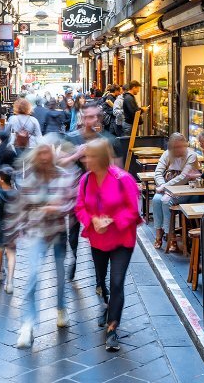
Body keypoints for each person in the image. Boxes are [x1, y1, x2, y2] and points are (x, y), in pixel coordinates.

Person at [9, 138, 78, 348]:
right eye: (41, 153)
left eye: (48, 153)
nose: (44, 157)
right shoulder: (27, 175)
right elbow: (20, 203)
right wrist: (14, 230)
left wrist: (55, 208)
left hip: (57, 232)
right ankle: (27, 325)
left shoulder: (65, 175)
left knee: (59, 274)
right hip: (36, 232)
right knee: (31, 276)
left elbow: (70, 203)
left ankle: (61, 308)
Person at [75, 137, 140, 352]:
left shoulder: (123, 179)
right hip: (98, 238)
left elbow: (133, 210)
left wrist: (111, 221)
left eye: (91, 157)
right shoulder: (85, 180)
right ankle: (106, 304)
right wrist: (92, 220)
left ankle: (112, 328)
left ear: (101, 158)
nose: (86, 160)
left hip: (122, 238)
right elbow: (80, 207)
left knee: (117, 281)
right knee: (101, 279)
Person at [63, 101, 124, 282]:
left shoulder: (109, 140)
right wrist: (76, 155)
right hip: (76, 194)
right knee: (73, 231)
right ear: (82, 117)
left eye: (96, 116)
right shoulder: (71, 139)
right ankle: (73, 262)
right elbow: (60, 164)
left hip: (100, 197)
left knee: (99, 235)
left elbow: (118, 172)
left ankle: (100, 280)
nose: (93, 120)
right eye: (89, 116)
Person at [151, 133, 201, 252]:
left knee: (165, 201)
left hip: (185, 191)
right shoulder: (167, 154)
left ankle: (170, 236)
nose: (178, 150)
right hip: (167, 188)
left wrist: (164, 186)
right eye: (175, 147)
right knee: (156, 200)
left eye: (181, 146)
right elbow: (158, 172)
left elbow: (183, 177)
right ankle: (158, 233)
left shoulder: (191, 155)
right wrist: (163, 185)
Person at [0, 166, 18, 294]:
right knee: (11, 253)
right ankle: (10, 282)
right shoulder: (17, 194)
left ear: (1, 179)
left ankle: (0, 272)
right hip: (12, 226)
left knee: (0, 249)